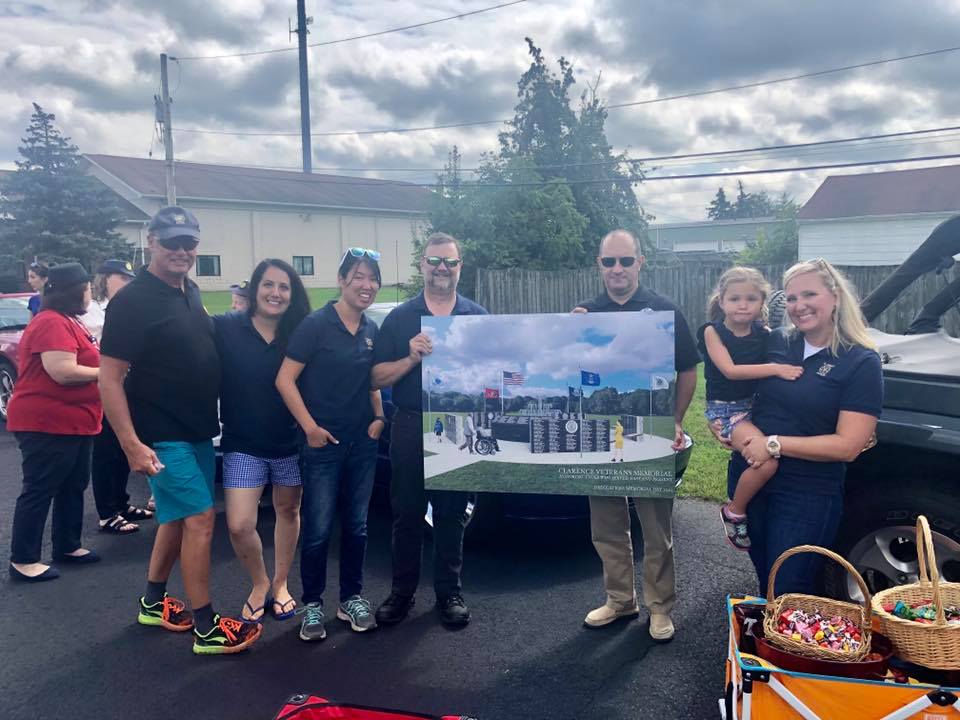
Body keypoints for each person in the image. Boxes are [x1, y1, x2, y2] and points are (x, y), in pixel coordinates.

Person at [99, 206, 261, 655]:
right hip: (161, 433)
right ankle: (206, 628)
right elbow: (109, 378)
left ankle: (153, 603)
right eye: (171, 242)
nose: (181, 251)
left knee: (174, 518)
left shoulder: (188, 290)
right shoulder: (131, 301)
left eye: (189, 243)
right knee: (201, 520)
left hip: (196, 429)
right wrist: (131, 444)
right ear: (151, 241)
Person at [720, 259, 882, 596]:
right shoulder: (777, 341)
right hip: (750, 475)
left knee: (789, 589)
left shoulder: (861, 361)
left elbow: (848, 445)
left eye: (809, 294)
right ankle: (766, 630)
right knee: (766, 577)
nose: (799, 305)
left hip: (806, 493)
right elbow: (731, 381)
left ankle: (780, 631)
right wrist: (726, 425)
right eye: (791, 298)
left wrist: (773, 443)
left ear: (835, 296)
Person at [573, 229, 700, 642]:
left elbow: (687, 369)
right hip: (599, 435)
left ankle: (659, 608)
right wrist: (568, 332)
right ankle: (620, 600)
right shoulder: (585, 314)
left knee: (656, 529)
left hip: (652, 432)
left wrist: (674, 419)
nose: (617, 269)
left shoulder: (664, 311)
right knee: (606, 525)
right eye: (609, 261)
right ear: (599, 265)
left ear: (640, 263)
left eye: (625, 260)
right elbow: (570, 370)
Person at [371, 232, 487, 628]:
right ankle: (402, 593)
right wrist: (409, 358)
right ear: (422, 264)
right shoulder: (400, 318)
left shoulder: (476, 317)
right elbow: (375, 377)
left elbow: (493, 374)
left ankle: (449, 593)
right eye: (434, 260)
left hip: (459, 425)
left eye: (449, 262)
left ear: (460, 267)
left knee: (451, 513)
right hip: (410, 422)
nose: (442, 268)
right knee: (407, 513)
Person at [275, 248, 387, 642]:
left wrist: (378, 418)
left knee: (357, 526)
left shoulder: (372, 330)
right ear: (341, 280)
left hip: (362, 444)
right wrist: (309, 428)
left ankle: (351, 598)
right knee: (319, 528)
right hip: (323, 446)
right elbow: (284, 380)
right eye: (359, 276)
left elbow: (371, 381)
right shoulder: (316, 325)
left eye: (373, 278)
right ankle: (312, 604)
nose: (367, 285)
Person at [214, 259, 310, 623]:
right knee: (239, 524)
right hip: (243, 443)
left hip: (290, 443)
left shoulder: (300, 332)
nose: (276, 293)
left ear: (292, 294)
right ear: (255, 289)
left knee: (288, 511)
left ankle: (281, 584)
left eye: (284, 287)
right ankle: (260, 582)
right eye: (268, 284)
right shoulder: (226, 327)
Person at [697, 267, 803, 551]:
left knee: (766, 459)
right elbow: (730, 371)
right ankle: (734, 510)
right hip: (726, 410)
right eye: (734, 299)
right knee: (768, 461)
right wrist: (777, 369)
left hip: (754, 405)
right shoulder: (712, 332)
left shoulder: (764, 333)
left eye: (751, 299)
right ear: (722, 301)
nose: (742, 305)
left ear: (762, 303)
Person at [7, 263, 101, 582]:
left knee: (73, 484)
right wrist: (107, 373)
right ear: (76, 290)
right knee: (40, 487)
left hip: (74, 421)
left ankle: (67, 545)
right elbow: (62, 371)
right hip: (46, 422)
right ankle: (23, 559)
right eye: (88, 288)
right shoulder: (51, 322)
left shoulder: (69, 320)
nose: (90, 294)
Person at [87, 259, 148, 536]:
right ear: (105, 279)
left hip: (128, 386)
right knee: (105, 453)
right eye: (121, 278)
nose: (127, 283)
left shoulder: (131, 307)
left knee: (123, 449)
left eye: (129, 278)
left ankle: (121, 503)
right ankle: (107, 512)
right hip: (103, 389)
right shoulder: (91, 311)